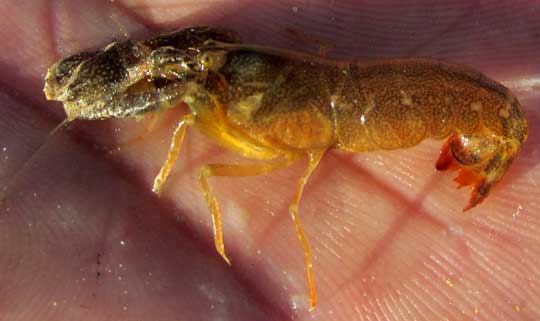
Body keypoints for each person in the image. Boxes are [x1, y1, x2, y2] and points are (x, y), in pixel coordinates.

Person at [1, 1, 538, 320]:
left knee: (206, 155)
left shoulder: (225, 98)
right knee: (195, 93)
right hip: (346, 95)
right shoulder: (216, 76)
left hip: (363, 108)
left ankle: (493, 135)